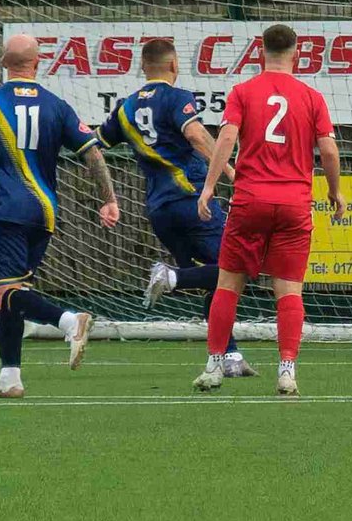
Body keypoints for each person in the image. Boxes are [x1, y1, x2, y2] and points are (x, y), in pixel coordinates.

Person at [0, 34, 121, 400]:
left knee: (3, 292)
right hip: (44, 213)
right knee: (13, 292)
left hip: (7, 211)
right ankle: (10, 377)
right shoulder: (56, 105)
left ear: (3, 63)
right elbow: (93, 153)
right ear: (38, 63)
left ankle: (70, 321)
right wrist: (109, 199)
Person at [193, 24, 343, 396]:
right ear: (297, 54)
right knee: (289, 290)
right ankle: (287, 371)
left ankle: (214, 366)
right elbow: (328, 150)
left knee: (228, 285)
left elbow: (228, 137)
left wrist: (209, 187)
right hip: (294, 204)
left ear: (260, 53)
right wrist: (335, 191)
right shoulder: (312, 97)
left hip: (250, 201)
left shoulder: (243, 92)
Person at [97, 38, 253, 377]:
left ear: (143, 66)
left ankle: (229, 357)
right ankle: (171, 277)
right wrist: (229, 170)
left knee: (215, 279)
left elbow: (94, 144)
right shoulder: (176, 97)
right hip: (191, 200)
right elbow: (196, 135)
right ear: (174, 65)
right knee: (237, 268)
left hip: (159, 211)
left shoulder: (124, 109)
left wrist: (107, 196)